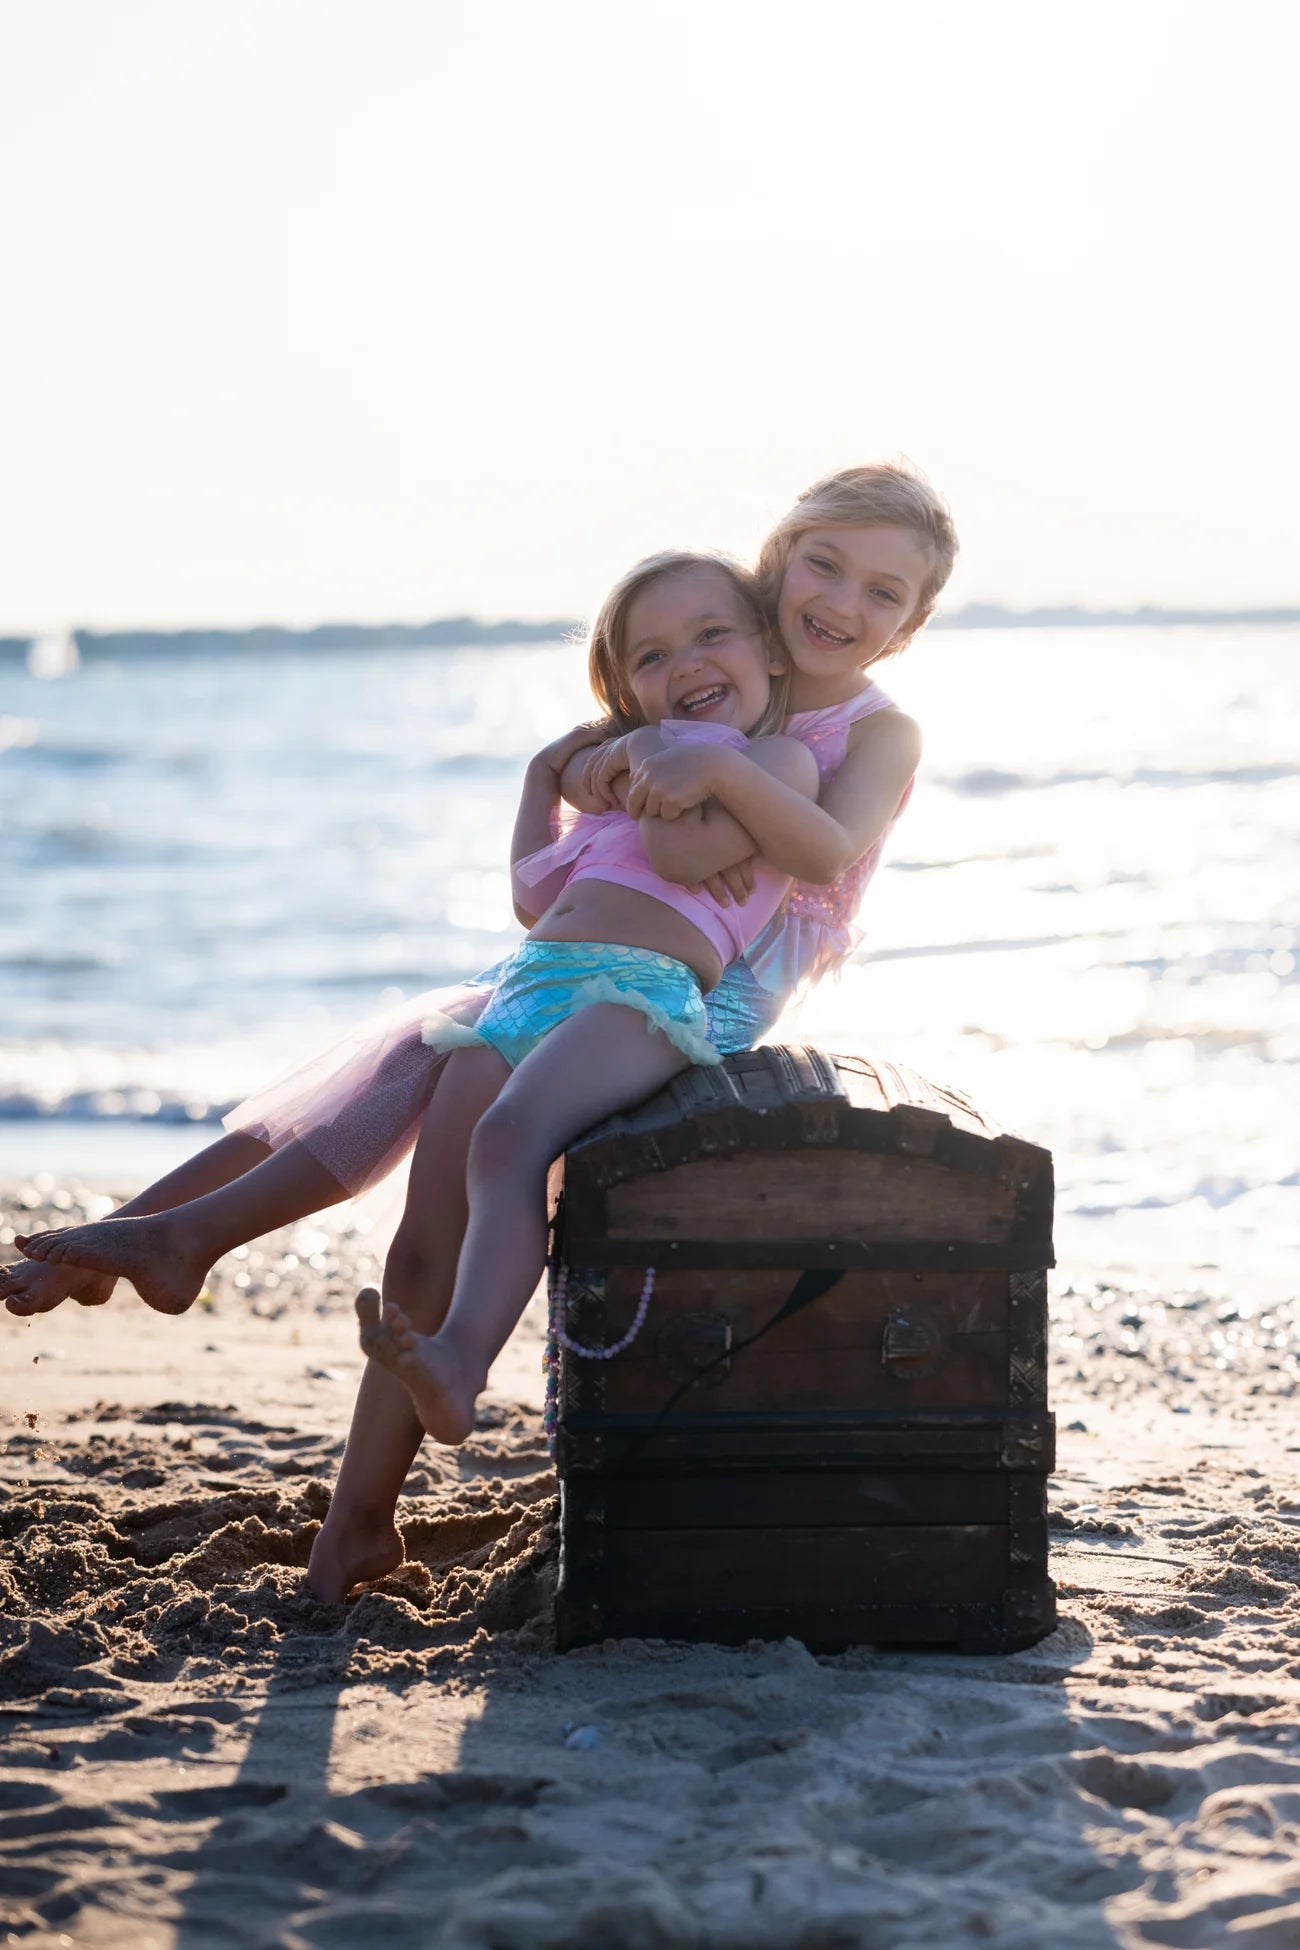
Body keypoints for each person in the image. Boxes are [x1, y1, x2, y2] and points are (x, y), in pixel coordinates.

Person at [11, 461, 957, 1598]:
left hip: (708, 990)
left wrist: (685, 766)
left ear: (909, 626)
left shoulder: (863, 730)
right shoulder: (701, 679)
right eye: (824, 565)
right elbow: (563, 862)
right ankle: (268, 1397)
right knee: (413, 1096)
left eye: (882, 593)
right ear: (774, 566)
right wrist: (594, 765)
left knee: (446, 1080)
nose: (844, 603)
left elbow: (801, 851)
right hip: (572, 962)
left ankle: (179, 1242)